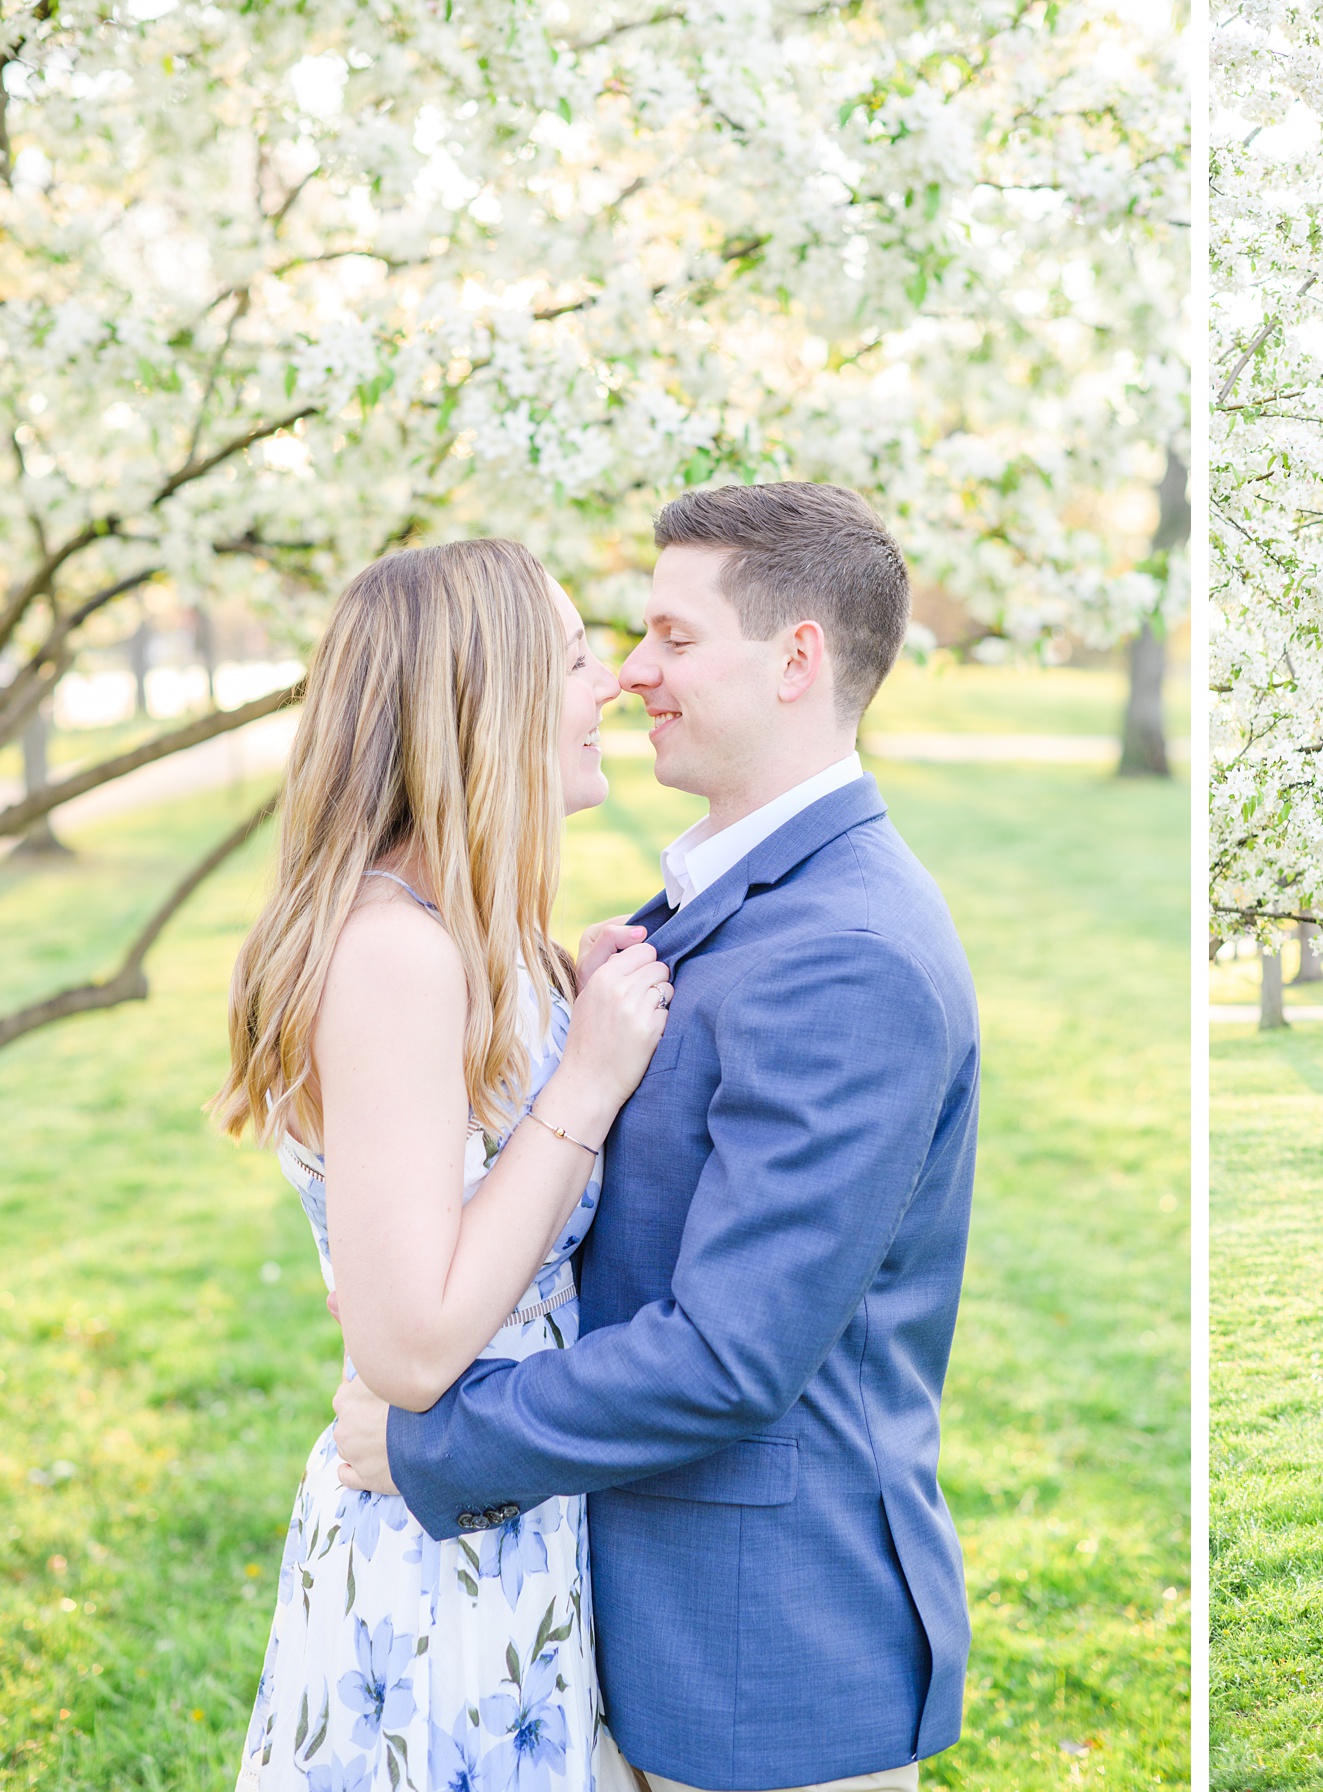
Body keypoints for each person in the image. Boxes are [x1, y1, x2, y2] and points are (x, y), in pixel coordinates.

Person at [331, 482, 980, 1792]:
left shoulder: (847, 951)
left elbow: (733, 1358)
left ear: (797, 656)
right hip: (640, 1620)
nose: (633, 676)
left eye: (674, 639)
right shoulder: (728, 896)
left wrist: (425, 1446)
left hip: (759, 1662)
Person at [216, 536, 672, 1792]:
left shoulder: (484, 938)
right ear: (487, 707)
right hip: (442, 1561)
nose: (612, 687)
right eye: (577, 661)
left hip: (512, 1505)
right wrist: (583, 1084)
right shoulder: (392, 956)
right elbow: (411, 1347)